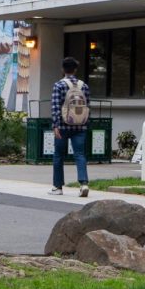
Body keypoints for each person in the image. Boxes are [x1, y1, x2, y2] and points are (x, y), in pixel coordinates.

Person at [50, 56, 90, 197]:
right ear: (75, 69)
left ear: (63, 69)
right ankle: (84, 183)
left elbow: (55, 106)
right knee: (80, 154)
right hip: (80, 126)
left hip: (63, 126)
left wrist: (55, 125)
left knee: (59, 156)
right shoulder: (83, 86)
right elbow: (87, 106)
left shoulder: (59, 85)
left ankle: (58, 187)